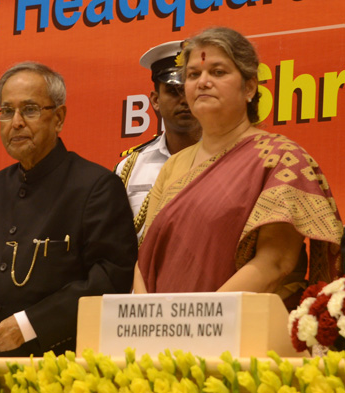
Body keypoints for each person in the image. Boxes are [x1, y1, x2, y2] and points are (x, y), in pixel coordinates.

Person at [134, 27, 343, 308]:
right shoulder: (174, 166)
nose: (203, 82)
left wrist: (194, 319)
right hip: (159, 334)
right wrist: (146, 317)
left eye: (218, 72)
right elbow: (146, 256)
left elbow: (276, 262)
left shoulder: (280, 159)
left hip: (240, 334)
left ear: (249, 88)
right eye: (194, 75)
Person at [0, 61, 137, 357]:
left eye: (30, 110)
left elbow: (111, 279)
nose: (16, 122)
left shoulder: (96, 186)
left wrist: (28, 325)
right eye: (6, 112)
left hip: (64, 365)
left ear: (58, 118)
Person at [115, 40, 201, 237]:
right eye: (173, 91)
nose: (183, 100)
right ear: (155, 100)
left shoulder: (229, 159)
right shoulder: (130, 168)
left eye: (190, 91)